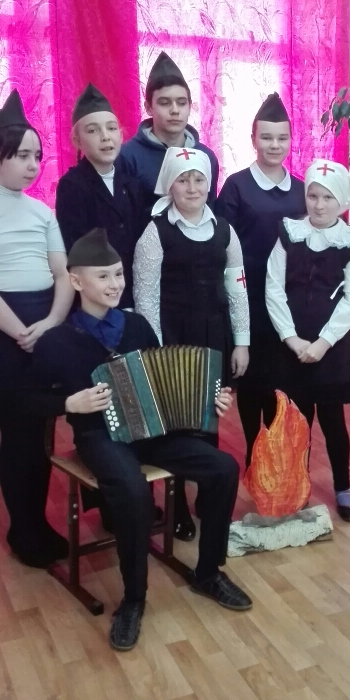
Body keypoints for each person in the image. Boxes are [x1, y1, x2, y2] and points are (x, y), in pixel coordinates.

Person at [29, 228, 253, 651]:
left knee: (223, 467)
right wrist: (69, 403)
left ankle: (209, 573)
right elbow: (26, 401)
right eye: (103, 276)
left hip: (152, 432)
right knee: (132, 490)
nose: (115, 284)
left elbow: (165, 385)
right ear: (76, 281)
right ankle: (134, 599)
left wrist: (209, 400)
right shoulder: (57, 341)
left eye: (118, 274)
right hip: (100, 437)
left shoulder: (136, 326)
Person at [0, 90, 74, 567]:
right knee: (19, 435)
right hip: (2, 328)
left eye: (37, 156)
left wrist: (52, 322)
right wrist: (23, 331)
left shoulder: (42, 212)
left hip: (46, 321)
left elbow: (63, 274)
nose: (33, 165)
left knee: (43, 432)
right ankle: (23, 529)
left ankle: (38, 522)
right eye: (22, 155)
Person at [133, 146, 250, 539]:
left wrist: (242, 342)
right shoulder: (155, 232)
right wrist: (155, 351)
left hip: (214, 335)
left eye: (199, 179)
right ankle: (177, 506)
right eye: (183, 180)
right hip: (173, 337)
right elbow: (146, 296)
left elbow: (237, 290)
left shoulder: (225, 231)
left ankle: (208, 494)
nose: (193, 187)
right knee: (177, 423)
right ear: (170, 184)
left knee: (209, 416)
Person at [265, 159, 350, 522]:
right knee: (296, 420)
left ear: (341, 201)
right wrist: (290, 338)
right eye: (313, 196)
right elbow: (273, 288)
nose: (319, 205)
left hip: (331, 347)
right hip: (291, 344)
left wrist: (323, 343)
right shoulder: (289, 233)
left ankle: (343, 488)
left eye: (328, 198)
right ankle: (297, 486)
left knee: (333, 420)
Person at [215, 93, 306, 466]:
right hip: (249, 299)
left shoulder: (302, 190)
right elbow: (222, 244)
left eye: (282, 138)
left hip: (290, 301)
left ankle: (281, 455)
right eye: (266, 137)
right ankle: (255, 451)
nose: (274, 145)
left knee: (285, 380)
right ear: (253, 139)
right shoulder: (236, 186)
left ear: (291, 140)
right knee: (253, 379)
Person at [55, 83, 149, 310]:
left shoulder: (133, 184)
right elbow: (76, 249)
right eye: (93, 130)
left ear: (121, 135)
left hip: (134, 293)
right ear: (77, 141)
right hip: (95, 299)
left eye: (111, 128)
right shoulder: (72, 186)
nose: (105, 137)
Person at [120, 51, 219, 208]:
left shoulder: (205, 156)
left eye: (181, 103)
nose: (175, 110)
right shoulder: (127, 157)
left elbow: (210, 210)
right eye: (165, 103)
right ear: (148, 107)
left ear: (190, 106)